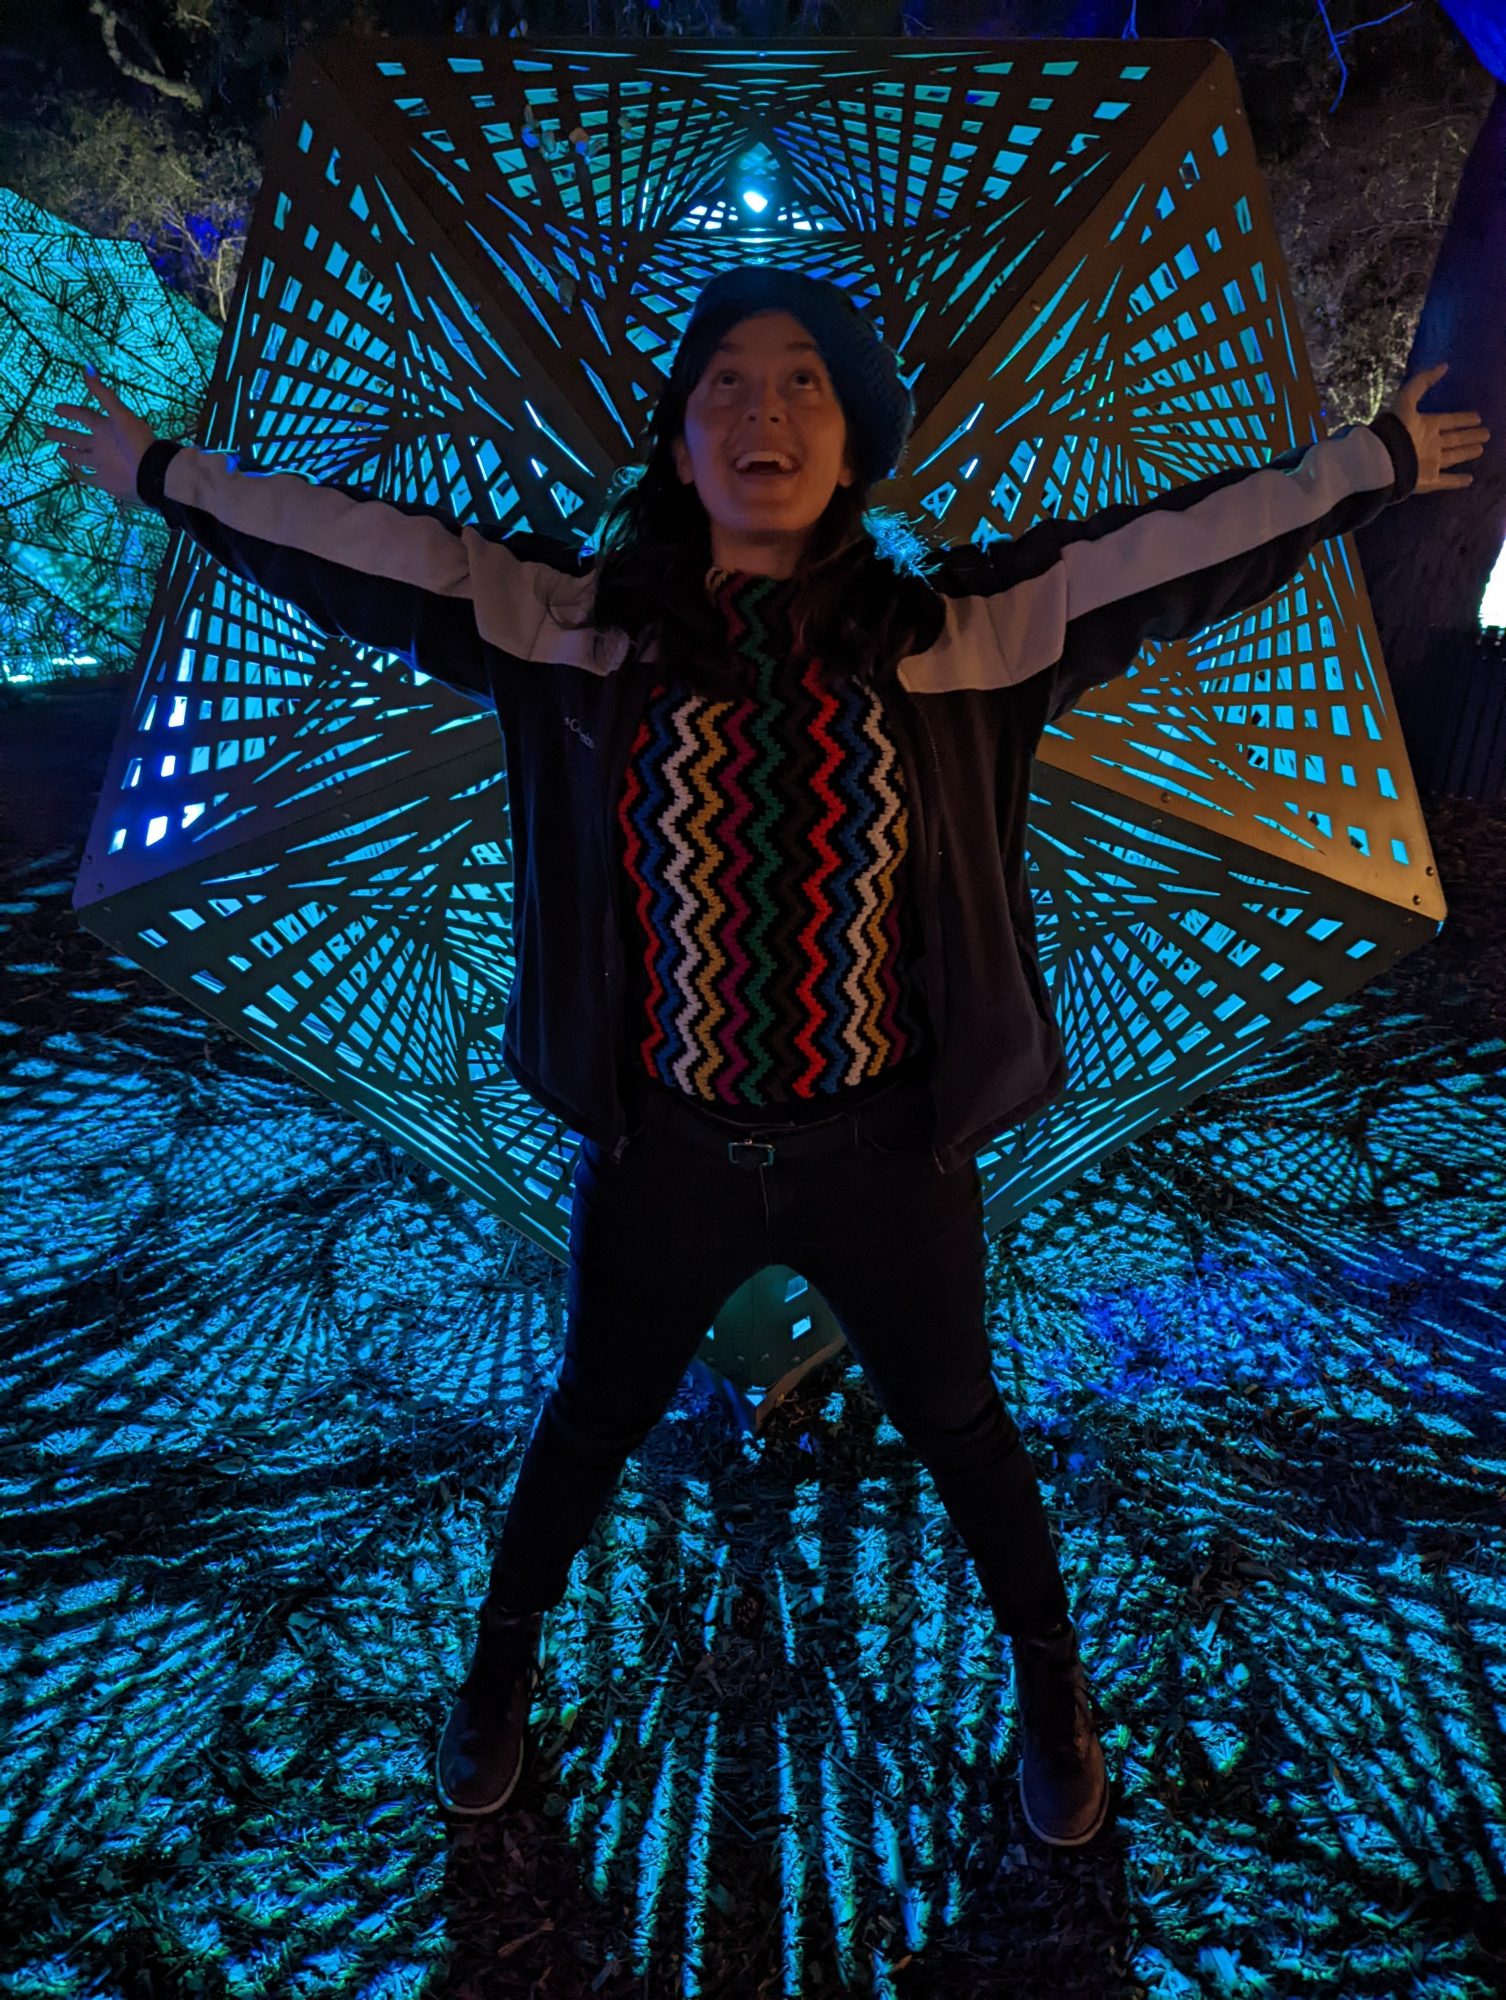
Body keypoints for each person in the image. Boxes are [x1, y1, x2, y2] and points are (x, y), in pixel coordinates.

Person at [48, 266, 1487, 1850]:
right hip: (663, 1152)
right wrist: (165, 476)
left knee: (961, 1425)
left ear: (851, 441)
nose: (762, 410)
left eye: (802, 380)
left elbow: (1169, 553)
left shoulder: (957, 635)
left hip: (883, 1156)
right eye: (724, 382)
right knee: (587, 1420)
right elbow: (360, 551)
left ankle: (1051, 1697)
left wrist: (1367, 464)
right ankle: (494, 1681)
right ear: (679, 445)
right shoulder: (574, 629)